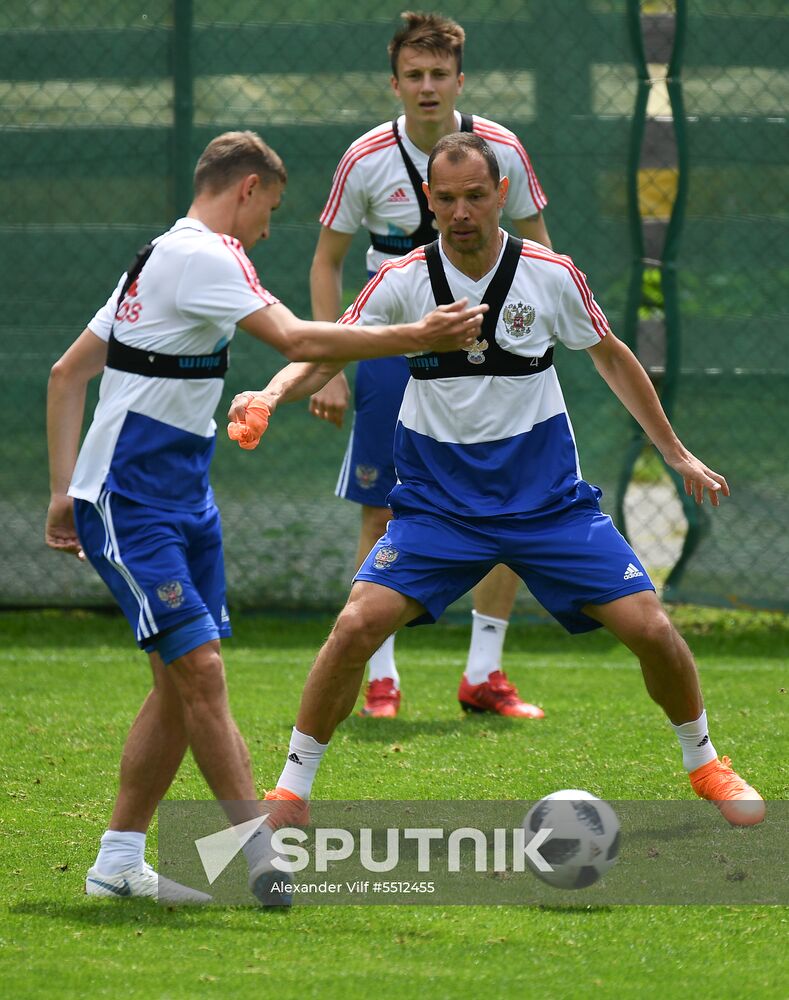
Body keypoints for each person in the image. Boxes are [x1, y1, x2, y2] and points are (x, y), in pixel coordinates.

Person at [229, 133, 765, 836]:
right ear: (428, 200)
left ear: (500, 194)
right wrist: (268, 394)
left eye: (475, 195)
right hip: (436, 510)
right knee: (355, 624)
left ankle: (703, 764)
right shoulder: (402, 281)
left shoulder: (548, 274)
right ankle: (291, 790)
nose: (460, 210)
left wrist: (676, 452)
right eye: (445, 197)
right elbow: (322, 347)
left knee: (653, 630)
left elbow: (610, 355)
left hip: (545, 504)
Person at [45, 130, 486, 904]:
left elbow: (67, 372)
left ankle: (117, 862)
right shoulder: (200, 256)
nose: (268, 229)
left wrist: (57, 488)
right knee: (201, 674)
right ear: (246, 187)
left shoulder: (155, 257)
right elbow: (292, 337)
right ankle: (258, 857)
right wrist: (414, 335)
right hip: (132, 498)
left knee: (179, 683)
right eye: (271, 210)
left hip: (184, 496)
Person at [308, 11, 551, 719]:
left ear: (459, 80)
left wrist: (539, 329)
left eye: (437, 74)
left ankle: (483, 673)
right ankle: (380, 677)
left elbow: (540, 247)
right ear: (394, 82)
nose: (425, 87)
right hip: (392, 351)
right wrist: (327, 364)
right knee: (382, 504)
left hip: (494, 348)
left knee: (510, 498)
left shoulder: (499, 147)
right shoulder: (364, 159)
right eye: (412, 75)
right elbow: (326, 263)